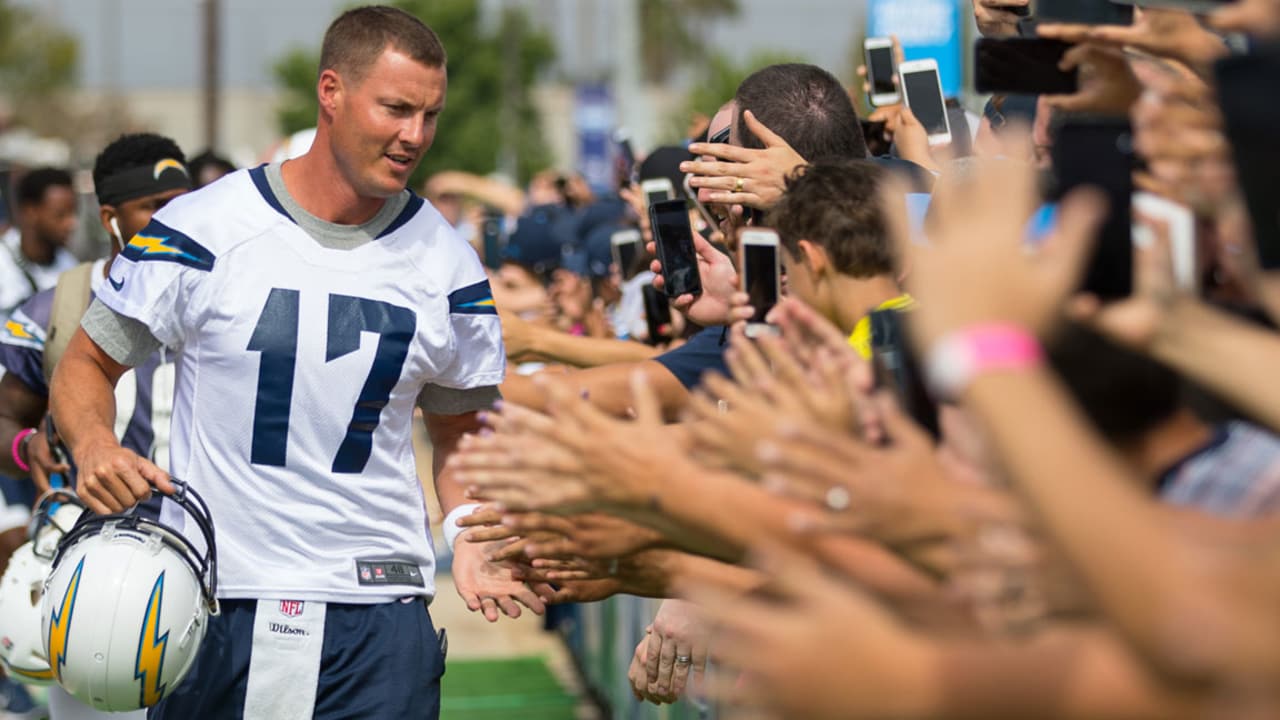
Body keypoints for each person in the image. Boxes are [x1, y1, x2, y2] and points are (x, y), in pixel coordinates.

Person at [48, 7, 545, 719]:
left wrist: (468, 529)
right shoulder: (203, 227)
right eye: (396, 109)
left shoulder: (449, 263)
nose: (415, 136)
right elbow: (87, 362)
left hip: (377, 609)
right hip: (217, 599)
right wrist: (93, 445)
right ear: (332, 92)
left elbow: (460, 428)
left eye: (430, 115)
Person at [0, 133, 191, 720]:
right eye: (155, 207)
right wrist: (26, 444)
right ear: (111, 219)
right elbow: (8, 413)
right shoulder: (60, 304)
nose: (176, 219)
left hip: (209, 556)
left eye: (184, 201)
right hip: (98, 573)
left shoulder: (224, 299)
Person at [0, 167, 78, 317]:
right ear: (30, 212)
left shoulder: (71, 269)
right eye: (60, 215)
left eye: (73, 213)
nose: (72, 223)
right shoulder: (3, 261)